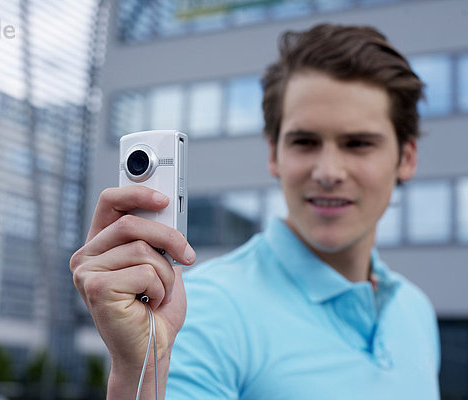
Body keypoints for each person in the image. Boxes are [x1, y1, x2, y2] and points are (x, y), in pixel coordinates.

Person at [70, 24, 440, 399]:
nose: (328, 172)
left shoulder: (416, 310)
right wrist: (140, 372)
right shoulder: (198, 312)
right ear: (273, 154)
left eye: (358, 143)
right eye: (305, 142)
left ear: (406, 158)